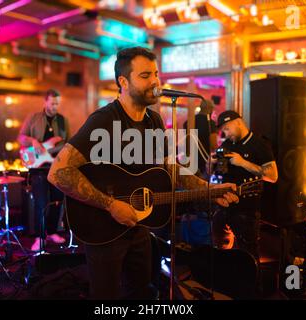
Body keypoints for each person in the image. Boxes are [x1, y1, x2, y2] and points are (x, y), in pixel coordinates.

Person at [47, 46, 239, 299]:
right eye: (145, 75)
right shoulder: (104, 119)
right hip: (103, 229)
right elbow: (58, 172)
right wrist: (110, 204)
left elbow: (169, 169)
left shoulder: (154, 120)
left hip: (139, 225)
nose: (156, 81)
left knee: (140, 292)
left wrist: (206, 189)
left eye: (156, 74)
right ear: (123, 82)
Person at [212, 110, 278, 260]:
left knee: (248, 256)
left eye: (227, 129)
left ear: (239, 122)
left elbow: (273, 176)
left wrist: (243, 162)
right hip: (223, 206)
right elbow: (218, 172)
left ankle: (251, 283)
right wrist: (213, 164)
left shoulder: (259, 144)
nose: (226, 134)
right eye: (223, 131)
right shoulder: (227, 144)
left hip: (246, 210)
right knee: (221, 252)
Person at [18, 89, 70, 251]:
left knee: (56, 202)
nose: (55, 106)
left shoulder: (62, 121)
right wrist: (33, 141)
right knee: (40, 203)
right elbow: (20, 137)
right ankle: (40, 237)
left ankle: (52, 232)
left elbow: (67, 143)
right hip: (38, 169)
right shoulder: (33, 118)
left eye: (57, 104)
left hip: (55, 167)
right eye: (52, 103)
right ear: (45, 102)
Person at [183, 99, 218, 179]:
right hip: (204, 160)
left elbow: (185, 142)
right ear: (210, 109)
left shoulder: (188, 122)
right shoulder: (210, 123)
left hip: (190, 159)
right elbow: (213, 145)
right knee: (204, 185)